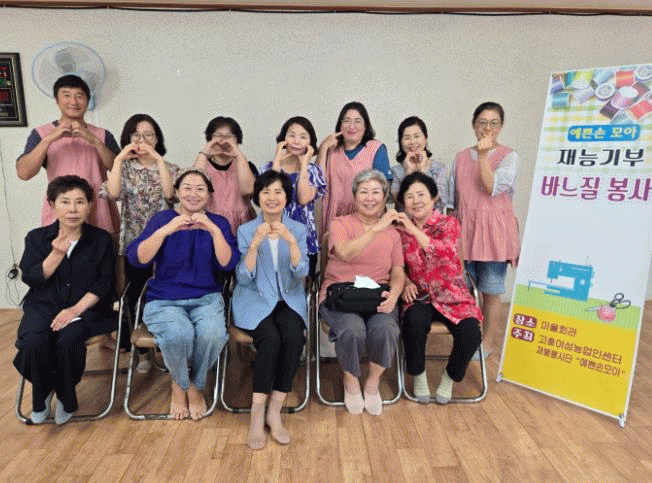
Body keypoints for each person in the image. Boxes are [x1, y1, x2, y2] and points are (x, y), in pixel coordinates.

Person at [126, 170, 239, 420]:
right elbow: (138, 259)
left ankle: (192, 384)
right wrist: (165, 231)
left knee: (213, 334)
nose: (193, 194)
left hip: (207, 298)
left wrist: (213, 231)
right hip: (164, 300)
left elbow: (228, 264)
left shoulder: (218, 222)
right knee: (180, 334)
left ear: (209, 194)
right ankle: (181, 385)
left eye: (200, 188)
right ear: (176, 192)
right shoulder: (162, 219)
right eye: (187, 188)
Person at [13, 175, 117, 425]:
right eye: (65, 202)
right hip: (43, 307)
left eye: (80, 202)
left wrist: (74, 310)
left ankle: (66, 397)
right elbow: (32, 278)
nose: (72, 209)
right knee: (33, 342)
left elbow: (105, 283)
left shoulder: (101, 239)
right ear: (52, 204)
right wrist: (56, 254)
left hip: (86, 310)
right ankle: (43, 395)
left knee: (69, 338)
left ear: (90, 206)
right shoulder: (36, 238)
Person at [318, 169, 405, 416]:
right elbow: (345, 253)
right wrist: (376, 229)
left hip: (378, 295)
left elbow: (398, 271)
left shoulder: (394, 233)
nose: (370, 198)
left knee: (386, 329)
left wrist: (394, 294)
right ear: (355, 196)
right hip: (341, 294)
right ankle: (351, 379)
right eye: (364, 192)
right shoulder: (340, 224)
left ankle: (373, 381)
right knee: (352, 330)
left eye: (376, 192)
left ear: (384, 197)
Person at [232, 170, 309, 450]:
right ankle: (256, 414)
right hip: (254, 299)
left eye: (278, 192)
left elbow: (302, 272)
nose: (272, 197)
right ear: (258, 197)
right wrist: (254, 244)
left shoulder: (298, 229)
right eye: (266, 192)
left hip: (288, 299)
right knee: (271, 339)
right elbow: (243, 278)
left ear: (287, 197)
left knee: (294, 337)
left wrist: (291, 242)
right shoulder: (246, 230)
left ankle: (274, 410)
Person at [395, 172, 483, 404]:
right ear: (403, 202)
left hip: (452, 295)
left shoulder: (449, 223)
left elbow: (445, 252)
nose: (416, 201)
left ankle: (449, 377)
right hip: (420, 295)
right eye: (409, 196)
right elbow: (396, 265)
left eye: (421, 195)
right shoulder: (398, 231)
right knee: (413, 324)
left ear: (434, 198)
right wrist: (406, 282)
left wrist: (413, 229)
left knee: (471, 334)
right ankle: (419, 375)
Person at [99, 114, 179, 359]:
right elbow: (113, 194)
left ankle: (166, 344)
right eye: (136, 135)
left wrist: (158, 159)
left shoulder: (170, 168)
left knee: (165, 291)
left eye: (148, 135)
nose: (142, 140)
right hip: (134, 241)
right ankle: (143, 353)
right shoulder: (123, 169)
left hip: (166, 242)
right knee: (135, 294)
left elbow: (170, 195)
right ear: (128, 138)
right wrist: (119, 159)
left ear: (157, 138)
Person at [447, 102, 520, 356]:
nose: (487, 128)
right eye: (482, 122)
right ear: (473, 125)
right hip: (465, 230)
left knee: (491, 289)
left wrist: (484, 155)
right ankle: (469, 338)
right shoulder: (460, 157)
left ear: (501, 126)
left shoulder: (509, 157)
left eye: (493, 123)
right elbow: (452, 199)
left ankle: (487, 343)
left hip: (494, 232)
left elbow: (491, 187)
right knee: (465, 289)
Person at [16, 74, 120, 235]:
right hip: (61, 210)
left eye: (79, 96)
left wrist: (94, 141)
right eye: (66, 95)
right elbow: (24, 173)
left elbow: (121, 171)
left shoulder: (102, 135)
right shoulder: (42, 133)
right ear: (57, 100)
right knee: (60, 249)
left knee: (101, 248)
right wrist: (48, 139)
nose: (73, 101)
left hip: (98, 208)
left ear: (87, 100)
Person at [260, 116, 326, 277]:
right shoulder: (268, 168)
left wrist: (304, 165)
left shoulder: (314, 171)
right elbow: (271, 197)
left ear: (310, 143)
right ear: (283, 139)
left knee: (301, 284)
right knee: (272, 282)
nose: (296, 141)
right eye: (292, 135)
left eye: (303, 137)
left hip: (304, 236)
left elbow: (303, 198)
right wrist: (277, 160)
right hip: (272, 234)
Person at [318, 102, 393, 236]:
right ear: (340, 125)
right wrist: (323, 148)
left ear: (365, 126)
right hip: (333, 215)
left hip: (366, 215)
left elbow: (385, 188)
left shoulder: (375, 148)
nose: (351, 126)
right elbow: (317, 182)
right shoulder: (331, 150)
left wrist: (376, 220)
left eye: (357, 121)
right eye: (347, 121)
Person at [194, 116, 257, 235]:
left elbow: (248, 191)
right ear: (209, 138)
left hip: (243, 226)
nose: (223, 141)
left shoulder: (245, 165)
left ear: (238, 139)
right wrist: (204, 153)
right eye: (218, 136)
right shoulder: (201, 164)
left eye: (229, 137)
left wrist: (238, 154)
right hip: (210, 224)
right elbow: (194, 186)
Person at [390, 116, 448, 213]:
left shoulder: (440, 168)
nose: (412, 142)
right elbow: (399, 201)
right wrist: (408, 172)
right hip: (405, 221)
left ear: (426, 139)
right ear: (400, 142)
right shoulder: (396, 171)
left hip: (434, 222)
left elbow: (439, 200)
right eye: (407, 138)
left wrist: (422, 172)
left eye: (417, 136)